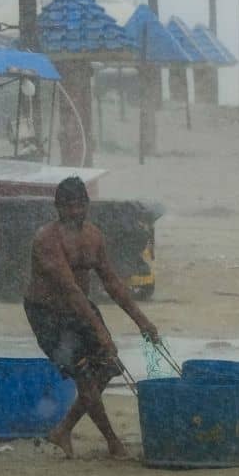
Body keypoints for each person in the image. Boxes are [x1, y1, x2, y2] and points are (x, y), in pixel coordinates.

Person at [24, 176, 160, 459]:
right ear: (57, 208)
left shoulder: (94, 236)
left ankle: (62, 430)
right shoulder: (46, 240)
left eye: (80, 206)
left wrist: (143, 322)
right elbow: (70, 289)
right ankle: (113, 443)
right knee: (84, 374)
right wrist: (102, 333)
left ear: (87, 205)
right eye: (68, 207)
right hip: (48, 313)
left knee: (108, 366)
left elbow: (112, 283)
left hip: (79, 307)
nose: (75, 212)